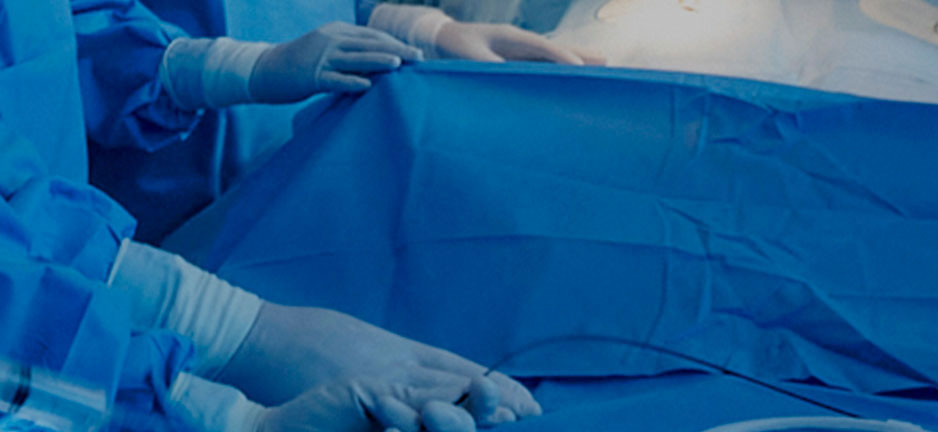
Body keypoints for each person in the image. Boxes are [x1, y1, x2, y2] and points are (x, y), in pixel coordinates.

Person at [1, 0, 541, 432]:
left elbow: (52, 22)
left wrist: (397, 22)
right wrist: (227, 376)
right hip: (149, 230)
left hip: (90, 257)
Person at [87, 0, 602, 243]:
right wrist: (236, 68)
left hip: (307, 167)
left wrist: (420, 28)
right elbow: (66, 37)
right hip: (169, 205)